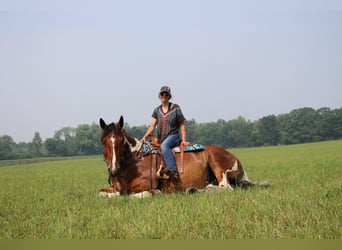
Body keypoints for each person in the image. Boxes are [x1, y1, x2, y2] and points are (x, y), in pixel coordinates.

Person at [141, 86, 188, 179]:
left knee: (164, 146)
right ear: (159, 96)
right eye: (162, 94)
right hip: (161, 139)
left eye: (166, 94)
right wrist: (144, 137)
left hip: (173, 136)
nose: (164, 96)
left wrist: (184, 140)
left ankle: (173, 171)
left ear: (169, 96)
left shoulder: (176, 108)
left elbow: (182, 124)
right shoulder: (157, 110)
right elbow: (152, 126)